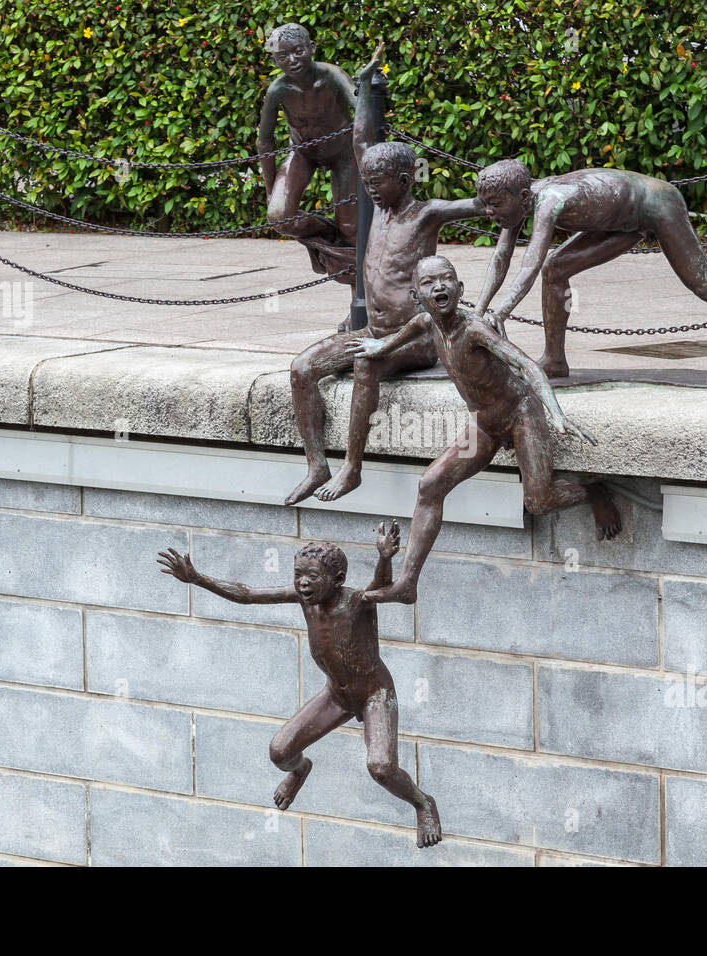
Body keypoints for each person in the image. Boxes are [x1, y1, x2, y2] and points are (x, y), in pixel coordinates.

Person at [350, 256, 621, 605]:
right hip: (485, 424)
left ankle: (594, 492)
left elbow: (525, 365)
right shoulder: (425, 323)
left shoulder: (474, 329)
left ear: (460, 289)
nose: (440, 287)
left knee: (539, 501)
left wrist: (555, 413)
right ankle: (407, 582)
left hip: (521, 413)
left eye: (447, 279)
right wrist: (378, 347)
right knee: (430, 484)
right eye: (430, 283)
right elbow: (401, 336)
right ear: (417, 296)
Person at [156, 519, 443, 848]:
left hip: (374, 694)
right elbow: (248, 594)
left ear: (337, 580)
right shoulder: (303, 598)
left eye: (312, 577)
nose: (303, 583)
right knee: (279, 752)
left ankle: (423, 803)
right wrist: (199, 578)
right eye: (298, 575)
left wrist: (385, 558)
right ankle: (300, 770)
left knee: (381, 767)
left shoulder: (355, 602)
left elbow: (380, 585)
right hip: (337, 695)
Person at [285, 43, 484, 506]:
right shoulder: (377, 214)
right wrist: (362, 85)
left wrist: (511, 191)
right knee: (300, 369)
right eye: (367, 183)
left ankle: (353, 468)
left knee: (365, 363)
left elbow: (479, 205)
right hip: (375, 330)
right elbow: (360, 145)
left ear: (407, 180)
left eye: (379, 183)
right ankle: (317, 464)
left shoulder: (425, 214)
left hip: (415, 339)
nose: (370, 189)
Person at [473, 158, 707, 379]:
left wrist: (500, 314)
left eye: (494, 205)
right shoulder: (516, 203)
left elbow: (529, 265)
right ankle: (554, 360)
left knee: (701, 281)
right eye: (485, 204)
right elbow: (502, 258)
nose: (488, 212)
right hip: (617, 222)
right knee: (557, 268)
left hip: (656, 204)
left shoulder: (550, 200)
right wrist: (479, 313)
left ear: (522, 197)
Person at [257, 23, 358, 286]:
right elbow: (265, 142)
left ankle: (360, 306)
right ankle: (326, 230)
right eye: (282, 56)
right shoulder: (278, 90)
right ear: (275, 60)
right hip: (303, 152)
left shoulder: (333, 75)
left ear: (311, 48)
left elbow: (362, 110)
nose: (292, 60)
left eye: (298, 51)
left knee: (351, 231)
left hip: (343, 153)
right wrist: (270, 190)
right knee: (279, 217)